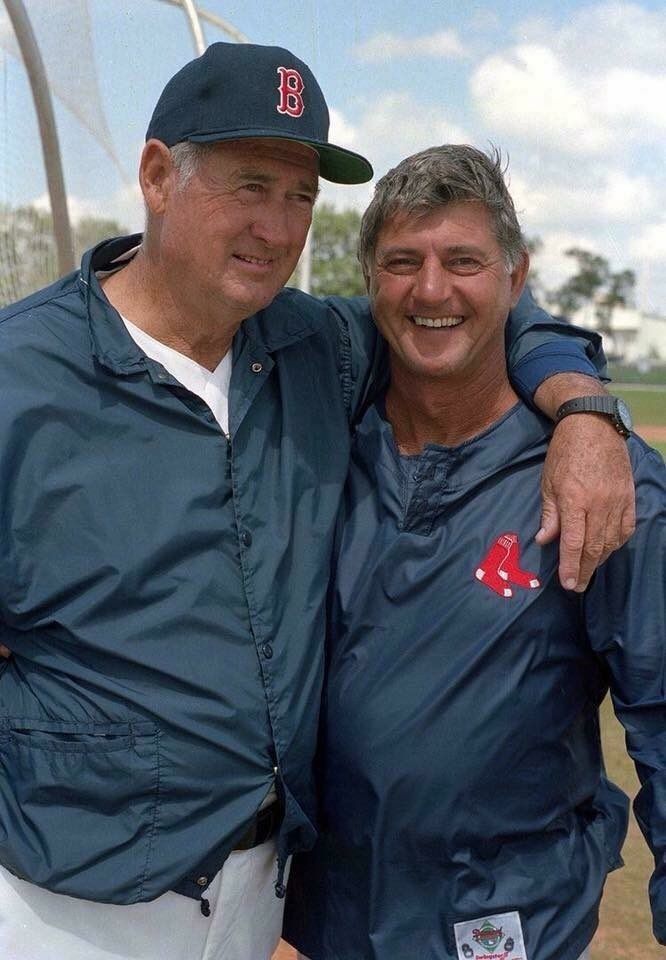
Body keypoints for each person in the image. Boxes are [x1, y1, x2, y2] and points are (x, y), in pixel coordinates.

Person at [0, 43, 634, 960]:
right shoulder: (21, 376)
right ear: (155, 176)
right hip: (73, 902)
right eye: (250, 184)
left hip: (266, 888)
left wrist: (583, 407)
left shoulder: (316, 345)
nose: (277, 226)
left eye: (301, 197)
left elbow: (474, 307)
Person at [282, 145, 666, 960]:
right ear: (369, 278)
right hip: (330, 919)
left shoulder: (602, 479)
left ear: (515, 278)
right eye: (401, 262)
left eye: (463, 261)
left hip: (508, 921)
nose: (430, 290)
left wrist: (587, 413)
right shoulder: (320, 438)